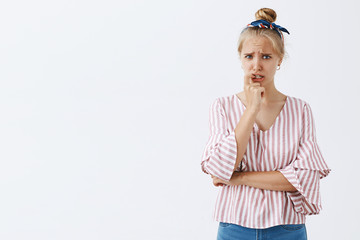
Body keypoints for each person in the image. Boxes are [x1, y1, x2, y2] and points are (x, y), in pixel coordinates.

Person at [200, 7, 331, 240]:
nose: (257, 65)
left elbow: (303, 179)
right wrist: (251, 110)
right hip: (234, 228)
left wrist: (239, 178)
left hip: (287, 229)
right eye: (249, 56)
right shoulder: (222, 107)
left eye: (266, 57)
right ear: (240, 58)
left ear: (279, 60)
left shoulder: (300, 110)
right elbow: (219, 168)